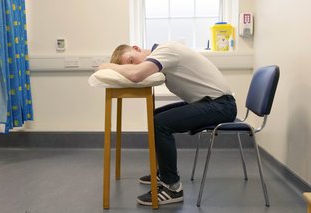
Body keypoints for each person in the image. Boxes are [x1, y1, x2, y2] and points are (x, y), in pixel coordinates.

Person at [98, 41, 237, 206]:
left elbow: (136, 75)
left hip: (221, 106)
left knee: (160, 123)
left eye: (131, 61)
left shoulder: (166, 50)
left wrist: (107, 66)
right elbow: (135, 73)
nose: (134, 65)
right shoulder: (163, 54)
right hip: (209, 102)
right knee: (156, 117)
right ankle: (163, 174)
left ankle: (172, 187)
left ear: (136, 48)